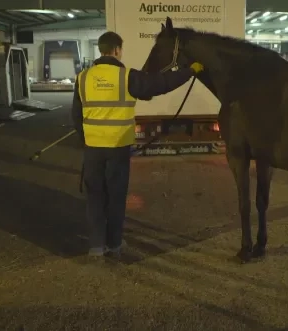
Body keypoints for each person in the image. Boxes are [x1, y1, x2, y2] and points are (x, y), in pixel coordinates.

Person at [71, 31, 204, 260]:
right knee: (115, 196)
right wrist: (189, 71)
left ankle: (95, 245)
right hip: (118, 147)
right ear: (116, 50)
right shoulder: (126, 77)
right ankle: (113, 245)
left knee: (95, 196)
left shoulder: (82, 78)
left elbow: (76, 115)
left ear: (100, 50)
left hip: (93, 148)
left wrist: (86, 140)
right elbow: (160, 84)